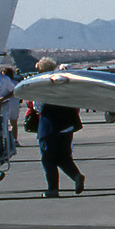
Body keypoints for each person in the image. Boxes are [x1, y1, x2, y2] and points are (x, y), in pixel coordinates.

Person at [32, 57, 84, 198]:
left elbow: (38, 106)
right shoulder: (64, 83)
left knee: (48, 158)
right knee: (63, 156)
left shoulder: (41, 84)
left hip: (50, 125)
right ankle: (76, 175)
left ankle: (52, 189)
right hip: (67, 123)